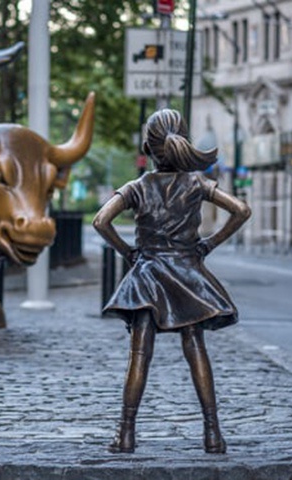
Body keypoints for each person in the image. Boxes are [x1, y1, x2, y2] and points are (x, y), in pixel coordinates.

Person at [93, 109, 251, 454]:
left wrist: (128, 253)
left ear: (148, 149)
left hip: (148, 274)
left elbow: (101, 221)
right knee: (196, 350)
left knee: (139, 355)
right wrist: (207, 245)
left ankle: (126, 433)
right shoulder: (196, 184)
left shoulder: (138, 187)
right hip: (187, 274)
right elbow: (241, 210)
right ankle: (213, 434)